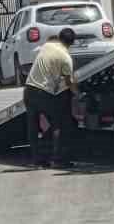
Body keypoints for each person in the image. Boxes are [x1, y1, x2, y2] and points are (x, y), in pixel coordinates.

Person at [24, 27, 77, 167]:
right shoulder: (66, 58)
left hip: (29, 90)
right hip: (43, 93)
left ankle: (37, 160)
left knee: (33, 126)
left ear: (59, 37)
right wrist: (78, 94)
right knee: (59, 123)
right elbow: (69, 82)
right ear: (72, 43)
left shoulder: (47, 46)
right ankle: (58, 159)